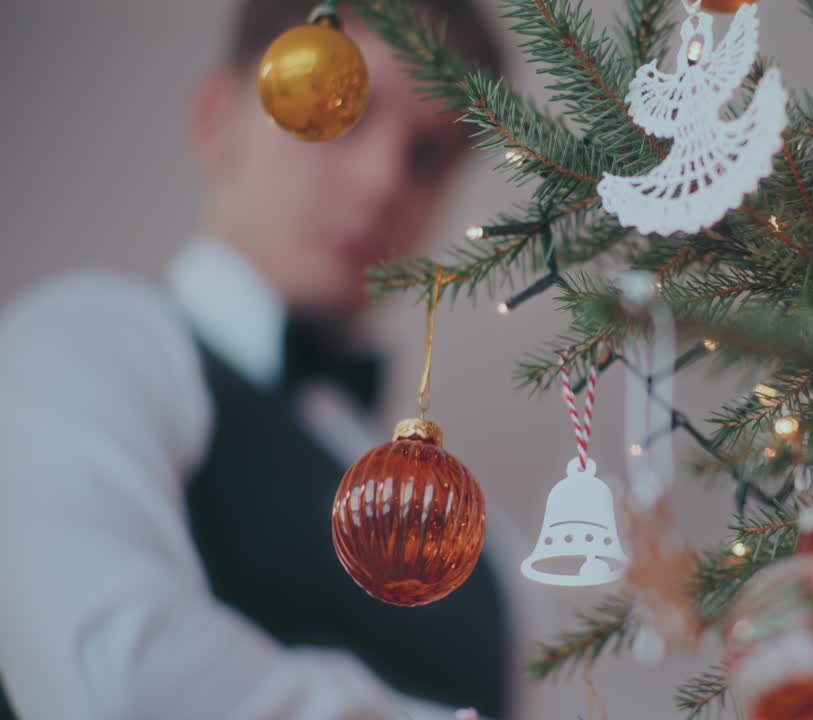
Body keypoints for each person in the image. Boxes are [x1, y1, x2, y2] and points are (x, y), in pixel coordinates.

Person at [0, 1, 513, 718]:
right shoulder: (84, 340)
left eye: (426, 156)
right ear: (217, 118)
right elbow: (119, 685)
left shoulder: (489, 548)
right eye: (342, 112)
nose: (383, 182)